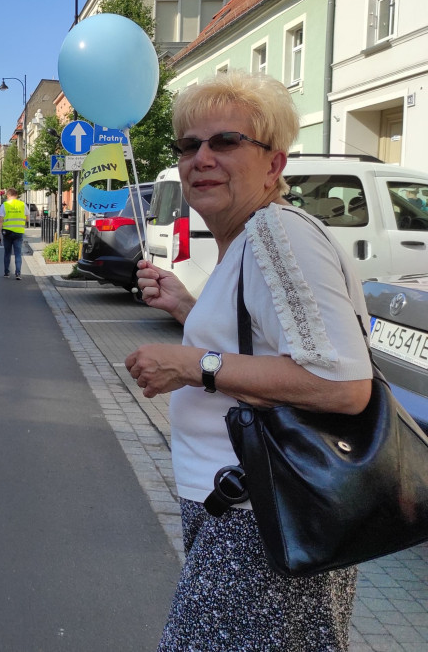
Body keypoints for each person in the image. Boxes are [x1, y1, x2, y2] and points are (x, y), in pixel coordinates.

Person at [124, 70, 371, 651]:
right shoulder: (250, 238)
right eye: (189, 145)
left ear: (274, 163)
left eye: (226, 141)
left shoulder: (275, 236)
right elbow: (265, 350)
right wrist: (187, 308)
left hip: (260, 517)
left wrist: (191, 365)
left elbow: (342, 384)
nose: (201, 158)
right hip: (246, 507)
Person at [0, 188, 27, 279]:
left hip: (7, 232)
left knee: (7, 253)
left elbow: (0, 220)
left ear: (8, 195)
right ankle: (18, 273)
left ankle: (6, 273)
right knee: (18, 253)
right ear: (16, 195)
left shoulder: (4, 205)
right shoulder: (22, 204)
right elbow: (27, 218)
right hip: (19, 232)